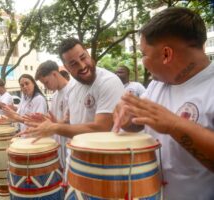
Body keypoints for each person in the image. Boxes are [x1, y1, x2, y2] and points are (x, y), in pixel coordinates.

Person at [113, 7, 214, 200]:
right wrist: (127, 119)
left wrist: (175, 125)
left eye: (144, 54)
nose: (142, 61)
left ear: (166, 54)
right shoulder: (157, 85)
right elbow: (138, 122)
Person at [22, 37, 124, 140]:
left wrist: (55, 127)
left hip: (100, 155)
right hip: (74, 153)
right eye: (73, 64)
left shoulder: (109, 82)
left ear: (88, 54)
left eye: (83, 57)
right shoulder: (72, 86)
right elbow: (69, 121)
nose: (82, 65)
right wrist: (48, 124)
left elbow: (102, 128)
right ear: (67, 68)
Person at [34, 60, 75, 171]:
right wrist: (43, 121)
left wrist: (54, 124)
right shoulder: (56, 95)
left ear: (55, 74)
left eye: (46, 82)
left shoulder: (73, 90)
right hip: (59, 148)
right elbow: (54, 120)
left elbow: (72, 121)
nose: (46, 87)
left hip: (72, 147)